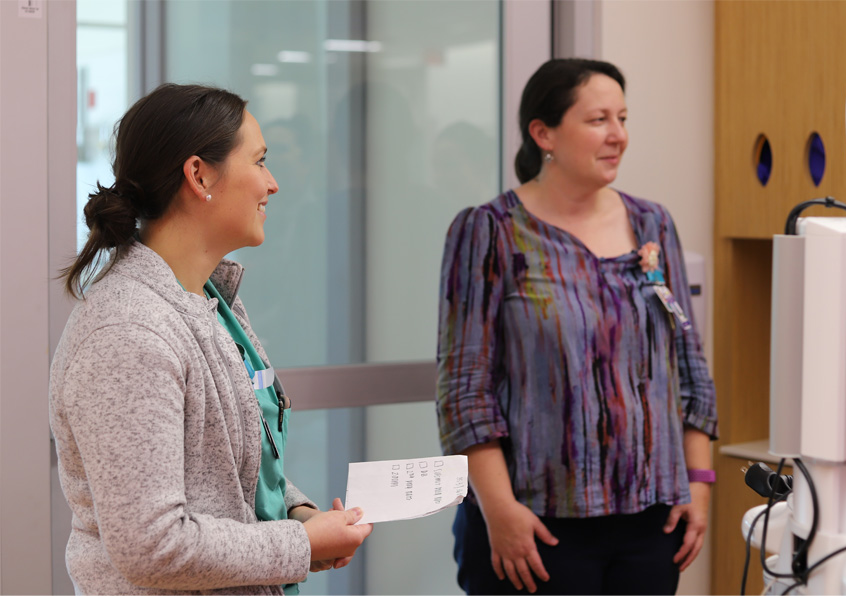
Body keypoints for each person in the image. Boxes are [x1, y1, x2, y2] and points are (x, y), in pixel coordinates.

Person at [49, 83, 372, 595]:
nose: (273, 183)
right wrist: (299, 545)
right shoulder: (128, 334)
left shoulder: (210, 300)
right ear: (199, 175)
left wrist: (298, 513)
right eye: (260, 161)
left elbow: (232, 464)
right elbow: (152, 547)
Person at [436, 58, 718, 595]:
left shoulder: (652, 224)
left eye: (623, 118)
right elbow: (463, 392)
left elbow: (690, 366)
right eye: (598, 120)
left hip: (651, 521)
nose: (618, 136)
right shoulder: (490, 232)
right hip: (534, 526)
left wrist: (698, 483)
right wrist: (499, 512)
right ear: (543, 133)